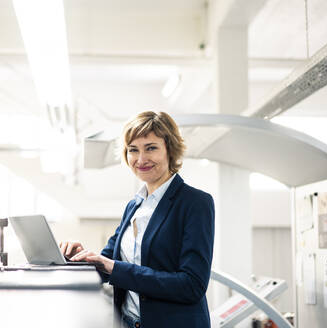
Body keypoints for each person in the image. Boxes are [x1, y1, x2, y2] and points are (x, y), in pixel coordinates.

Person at [60, 111, 215, 328]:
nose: (141, 159)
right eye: (133, 150)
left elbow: (192, 285)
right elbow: (107, 263)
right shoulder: (134, 206)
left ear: (169, 149)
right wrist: (80, 258)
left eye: (151, 148)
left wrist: (114, 268)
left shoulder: (195, 203)